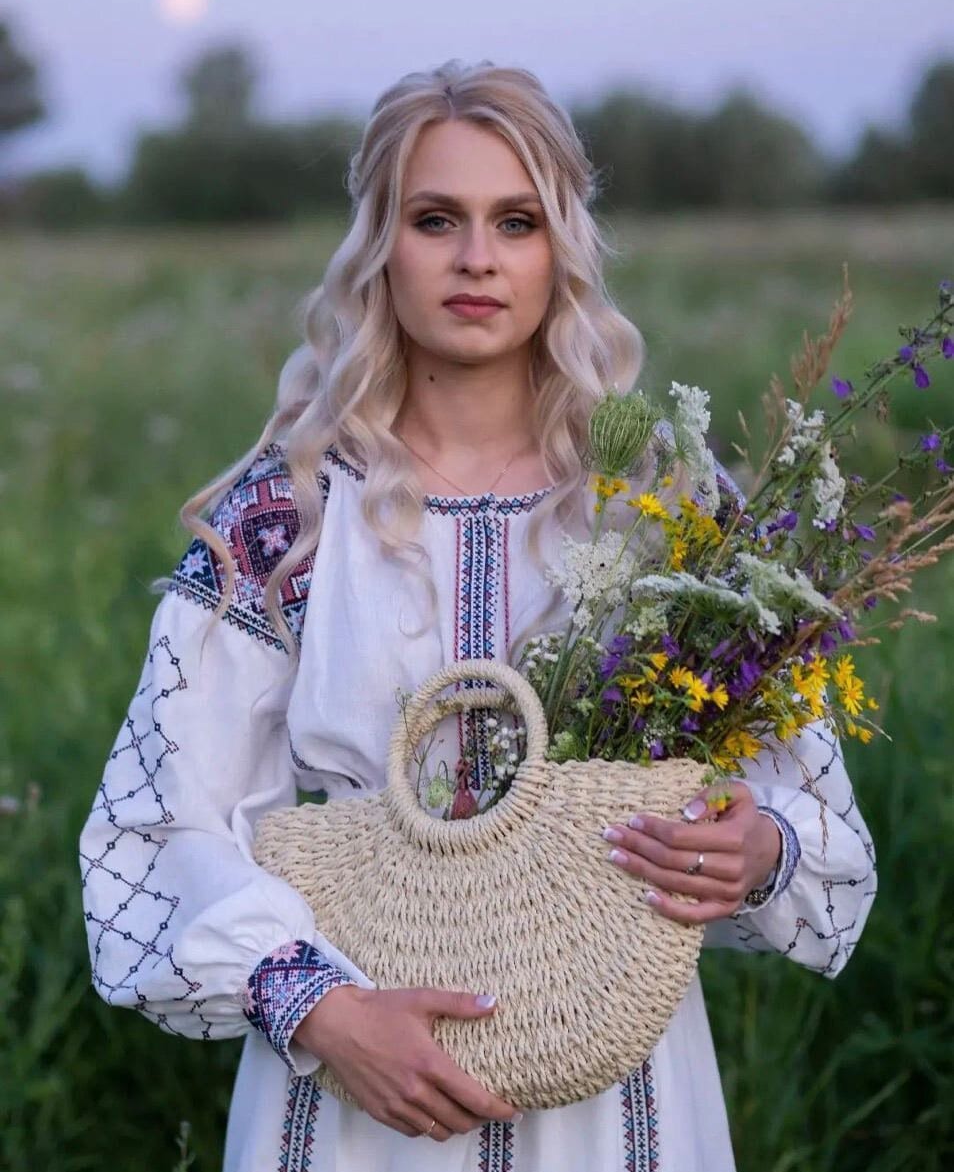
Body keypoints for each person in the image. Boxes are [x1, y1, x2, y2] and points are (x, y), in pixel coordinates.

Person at [78, 58, 877, 1172]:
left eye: (517, 220)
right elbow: (158, 823)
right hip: (356, 1079)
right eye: (434, 219)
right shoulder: (295, 509)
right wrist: (321, 1013)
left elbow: (816, 806)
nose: (476, 259)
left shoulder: (669, 507)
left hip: (620, 1081)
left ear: (563, 248)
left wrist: (759, 848)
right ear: (377, 246)